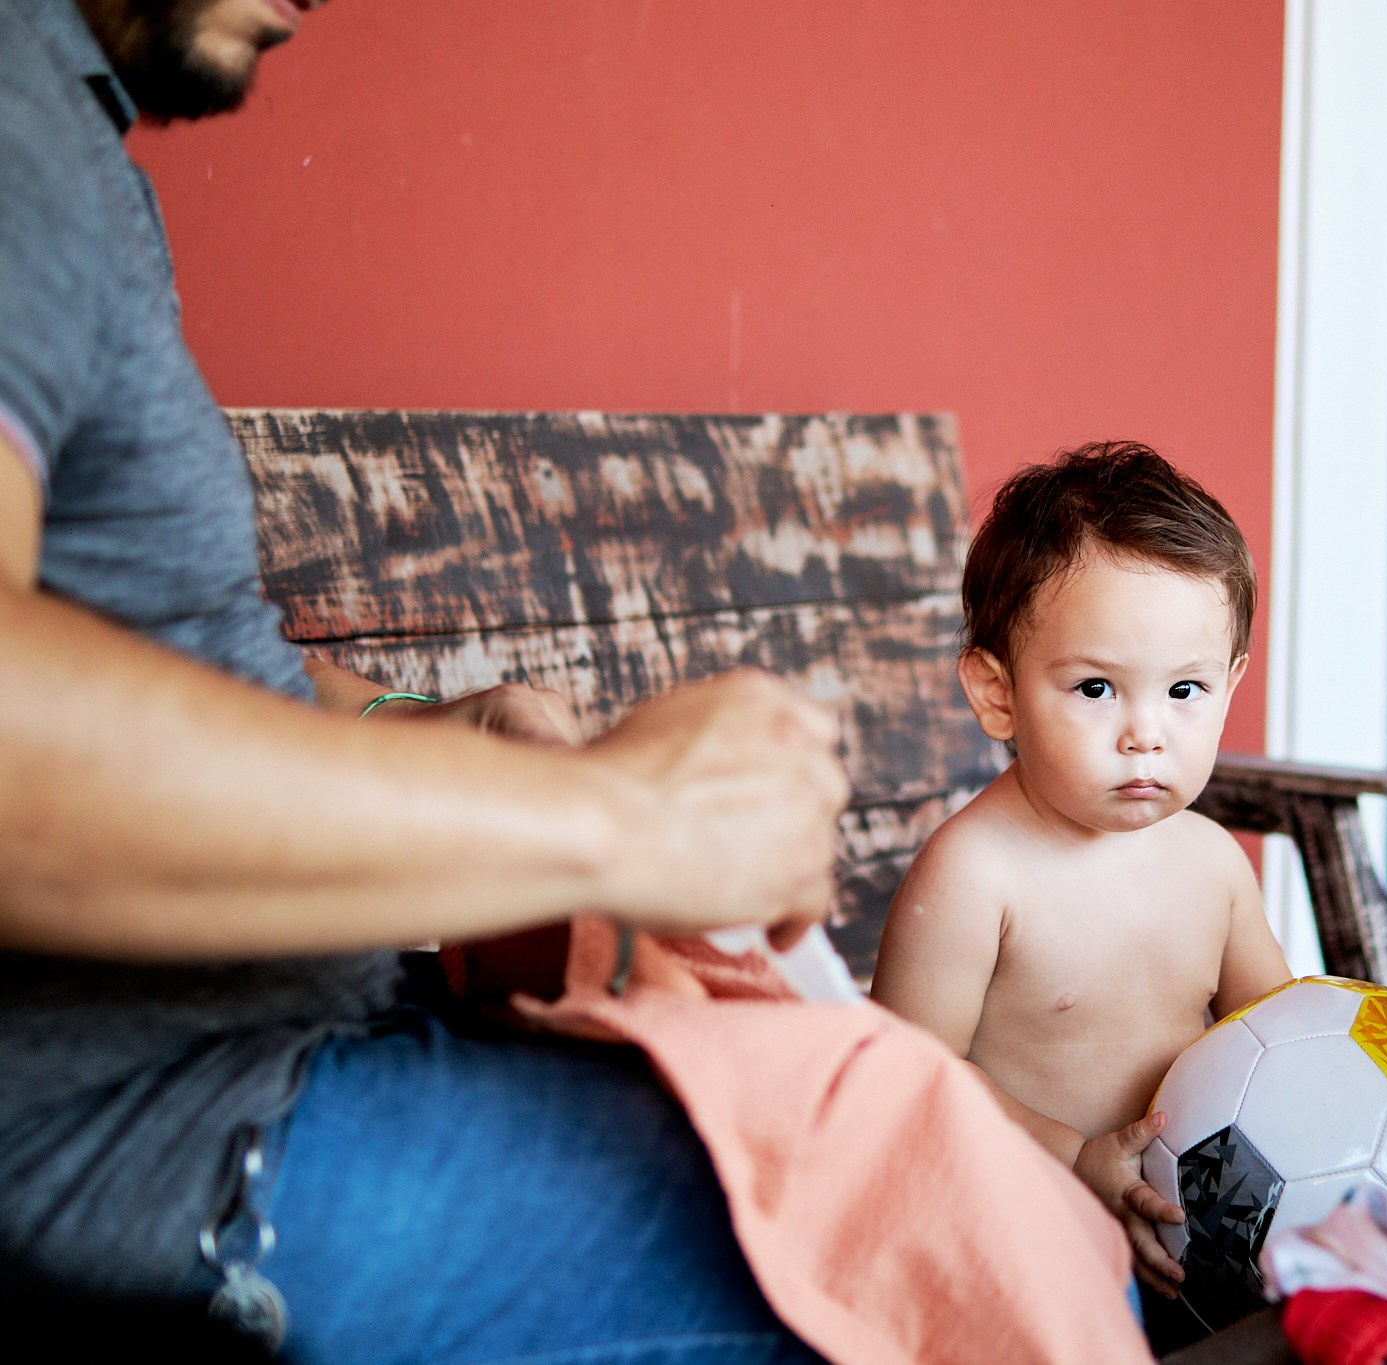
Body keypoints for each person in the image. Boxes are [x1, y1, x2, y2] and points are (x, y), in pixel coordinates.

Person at [0, 0, 846, 1358]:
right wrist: (628, 818)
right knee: (890, 1255)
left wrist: (435, 731)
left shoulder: (67, 136)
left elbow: (152, 660)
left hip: (281, 1058)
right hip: (146, 1152)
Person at [869, 442, 1295, 1307]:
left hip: (1193, 1233)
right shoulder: (975, 874)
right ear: (998, 693)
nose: (1146, 733)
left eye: (1185, 690)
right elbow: (910, 1078)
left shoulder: (1212, 862)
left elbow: (1285, 1038)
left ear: (1230, 684)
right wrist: (1075, 1158)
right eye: (1097, 688)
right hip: (1019, 1227)